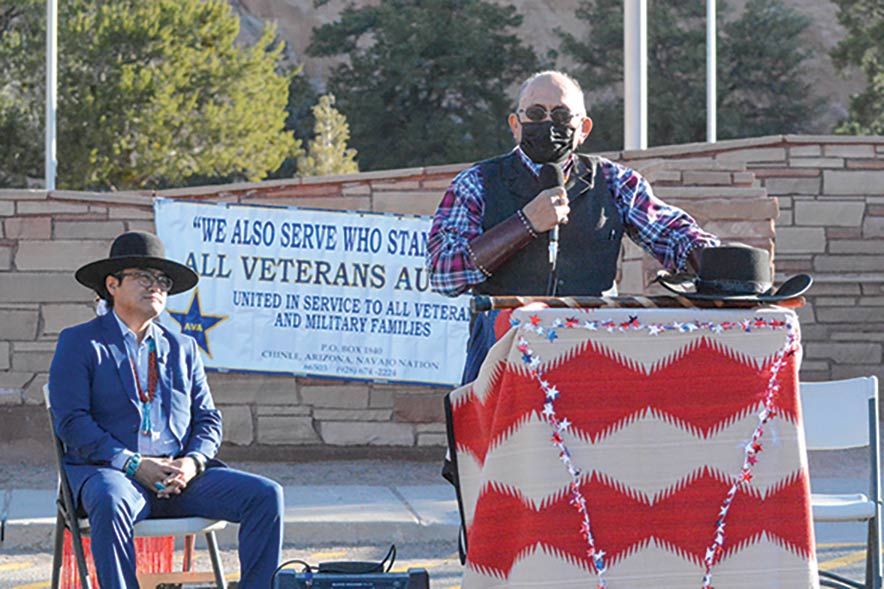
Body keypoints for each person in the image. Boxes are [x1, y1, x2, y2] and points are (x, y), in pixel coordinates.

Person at [426, 70, 720, 382]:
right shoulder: (477, 184)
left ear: (583, 128)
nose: (548, 124)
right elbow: (444, 273)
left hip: (590, 359)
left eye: (562, 115)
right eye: (536, 114)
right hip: (504, 361)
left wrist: (716, 260)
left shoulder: (614, 182)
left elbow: (672, 234)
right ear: (515, 124)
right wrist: (524, 224)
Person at [48, 231, 284, 589]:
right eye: (144, 276)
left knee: (266, 495)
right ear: (112, 284)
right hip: (115, 476)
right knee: (109, 500)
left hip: (180, 479)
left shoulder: (183, 347)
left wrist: (192, 463)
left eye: (162, 280)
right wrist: (133, 464)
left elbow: (208, 420)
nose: (155, 286)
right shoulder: (81, 342)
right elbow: (72, 423)